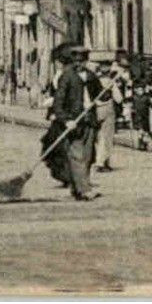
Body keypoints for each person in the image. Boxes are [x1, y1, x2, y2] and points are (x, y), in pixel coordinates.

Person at [49, 43, 99, 200]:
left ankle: (76, 187)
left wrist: (109, 89)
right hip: (73, 122)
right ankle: (84, 189)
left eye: (82, 62)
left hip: (89, 119)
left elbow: (101, 94)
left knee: (88, 156)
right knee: (76, 155)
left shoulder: (91, 76)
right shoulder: (67, 77)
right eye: (76, 61)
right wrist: (65, 120)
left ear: (86, 61)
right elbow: (58, 103)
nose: (79, 64)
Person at [91, 53, 117, 172]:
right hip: (108, 108)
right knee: (107, 136)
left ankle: (100, 161)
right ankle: (102, 162)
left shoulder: (93, 80)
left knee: (99, 136)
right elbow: (118, 97)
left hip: (96, 108)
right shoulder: (111, 82)